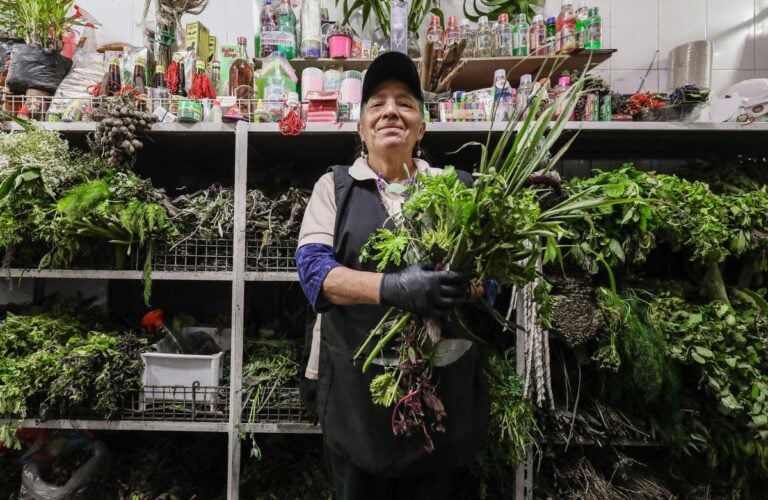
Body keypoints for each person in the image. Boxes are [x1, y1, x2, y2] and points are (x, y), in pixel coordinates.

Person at [296, 51, 489, 500]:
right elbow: (314, 274)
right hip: (355, 390)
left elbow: (492, 280)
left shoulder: (455, 187)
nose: (390, 111)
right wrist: (395, 288)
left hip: (442, 389)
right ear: (361, 128)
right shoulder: (335, 187)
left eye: (405, 102)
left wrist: (468, 285)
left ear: (421, 127)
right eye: (376, 102)